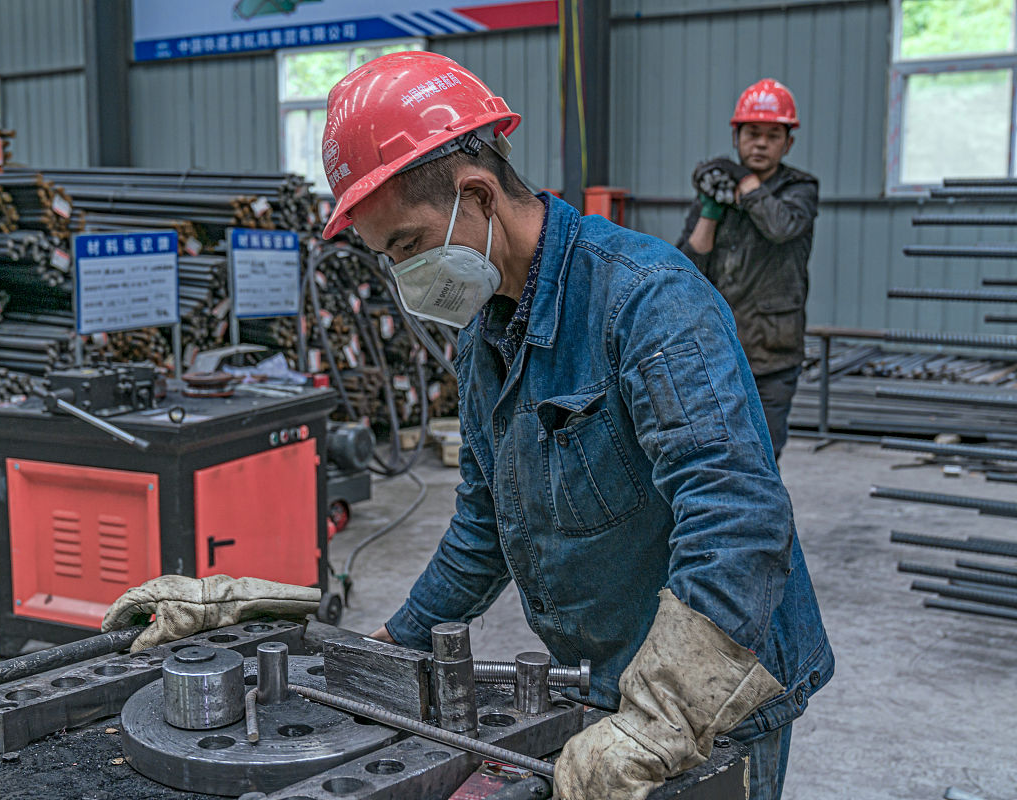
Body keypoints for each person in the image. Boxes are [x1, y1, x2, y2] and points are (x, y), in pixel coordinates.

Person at [104, 53, 833, 800]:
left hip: (713, 694)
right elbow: (486, 525)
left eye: (407, 246)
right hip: (605, 682)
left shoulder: (647, 300)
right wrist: (390, 648)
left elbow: (737, 517)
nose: (404, 276)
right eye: (389, 258)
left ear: (477, 195)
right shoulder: (484, 336)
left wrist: (661, 719)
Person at [677, 79, 819, 461]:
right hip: (716, 350)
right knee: (714, 456)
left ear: (788, 144)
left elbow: (780, 227)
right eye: (752, 134)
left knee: (762, 458)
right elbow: (686, 268)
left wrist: (744, 181)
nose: (760, 144)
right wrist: (710, 210)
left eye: (773, 136)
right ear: (736, 136)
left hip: (773, 355)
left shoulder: (800, 190)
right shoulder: (719, 189)